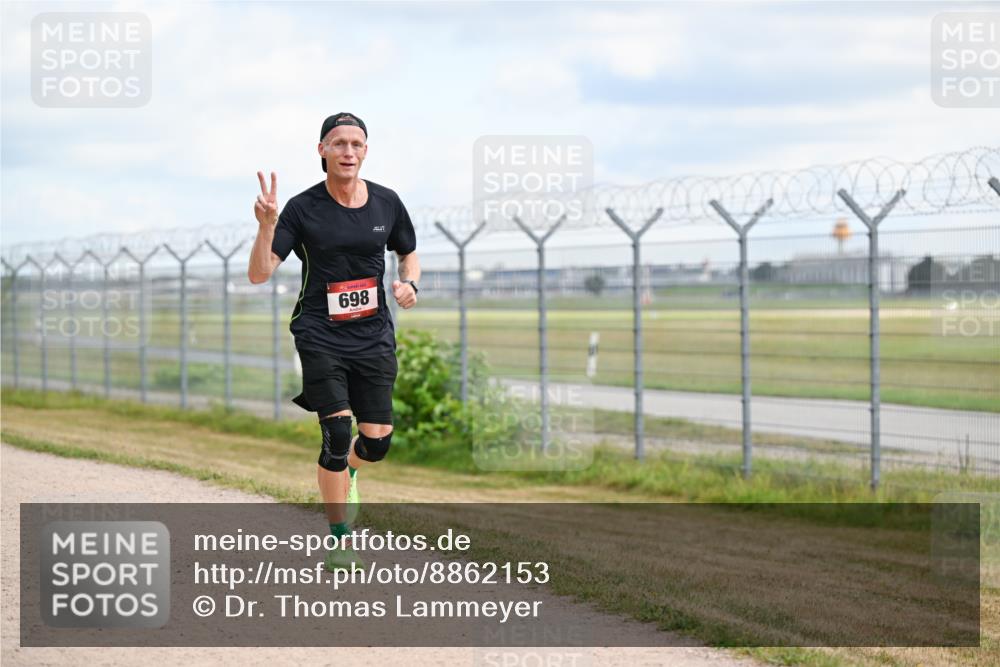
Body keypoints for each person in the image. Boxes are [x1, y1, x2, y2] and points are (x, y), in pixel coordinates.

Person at [247, 112, 420, 571]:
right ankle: (341, 539)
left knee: (376, 442)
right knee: (337, 433)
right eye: (338, 143)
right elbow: (260, 273)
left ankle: (350, 475)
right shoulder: (303, 209)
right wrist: (266, 225)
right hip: (320, 333)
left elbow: (408, 252)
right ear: (322, 150)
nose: (348, 152)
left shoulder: (387, 202)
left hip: (374, 336)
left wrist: (410, 284)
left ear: (366, 151)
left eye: (356, 144)